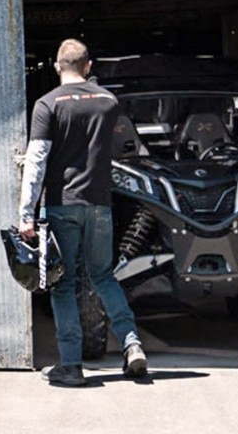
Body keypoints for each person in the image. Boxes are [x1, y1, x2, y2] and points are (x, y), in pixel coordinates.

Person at [18, 38, 148, 387]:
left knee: (64, 283)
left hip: (62, 205)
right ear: (88, 66)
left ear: (58, 67)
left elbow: (37, 161)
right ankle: (132, 344)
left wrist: (26, 213)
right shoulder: (109, 102)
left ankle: (71, 365)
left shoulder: (47, 105)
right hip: (100, 205)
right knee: (103, 276)